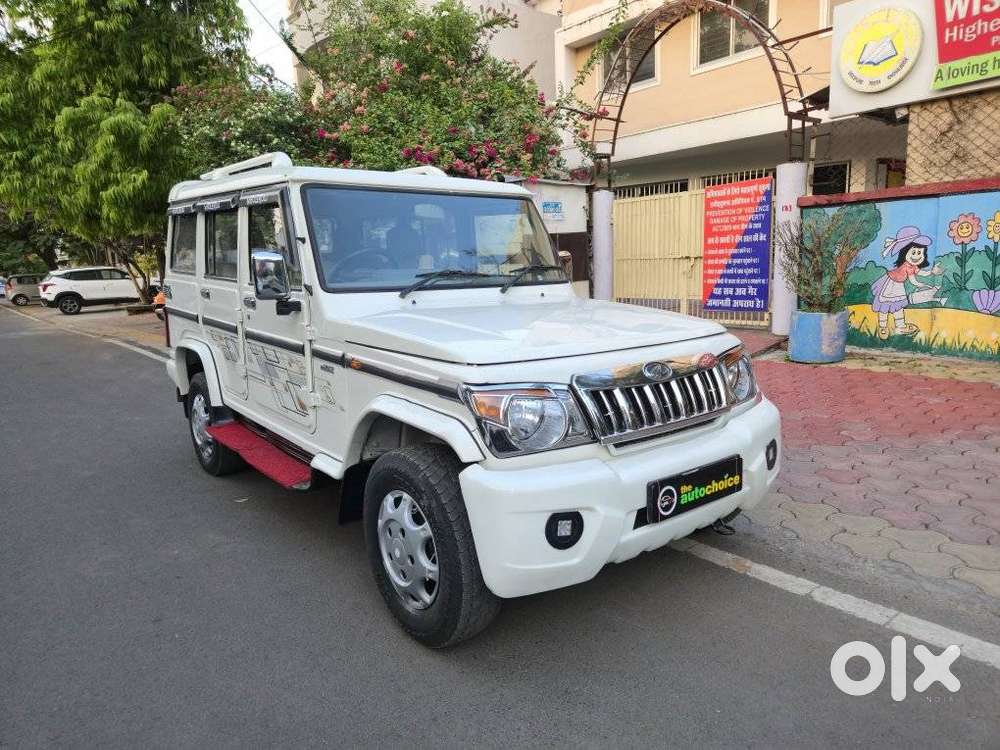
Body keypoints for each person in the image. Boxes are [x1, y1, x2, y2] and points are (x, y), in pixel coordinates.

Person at [870, 226, 943, 339]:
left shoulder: (912, 266)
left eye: (920, 253)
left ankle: (900, 326)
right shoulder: (906, 266)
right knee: (884, 306)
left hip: (898, 286)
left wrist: (932, 272)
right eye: (914, 252)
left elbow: (922, 273)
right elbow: (913, 280)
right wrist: (921, 285)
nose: (917, 256)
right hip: (890, 284)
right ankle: (882, 326)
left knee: (898, 306)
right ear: (904, 253)